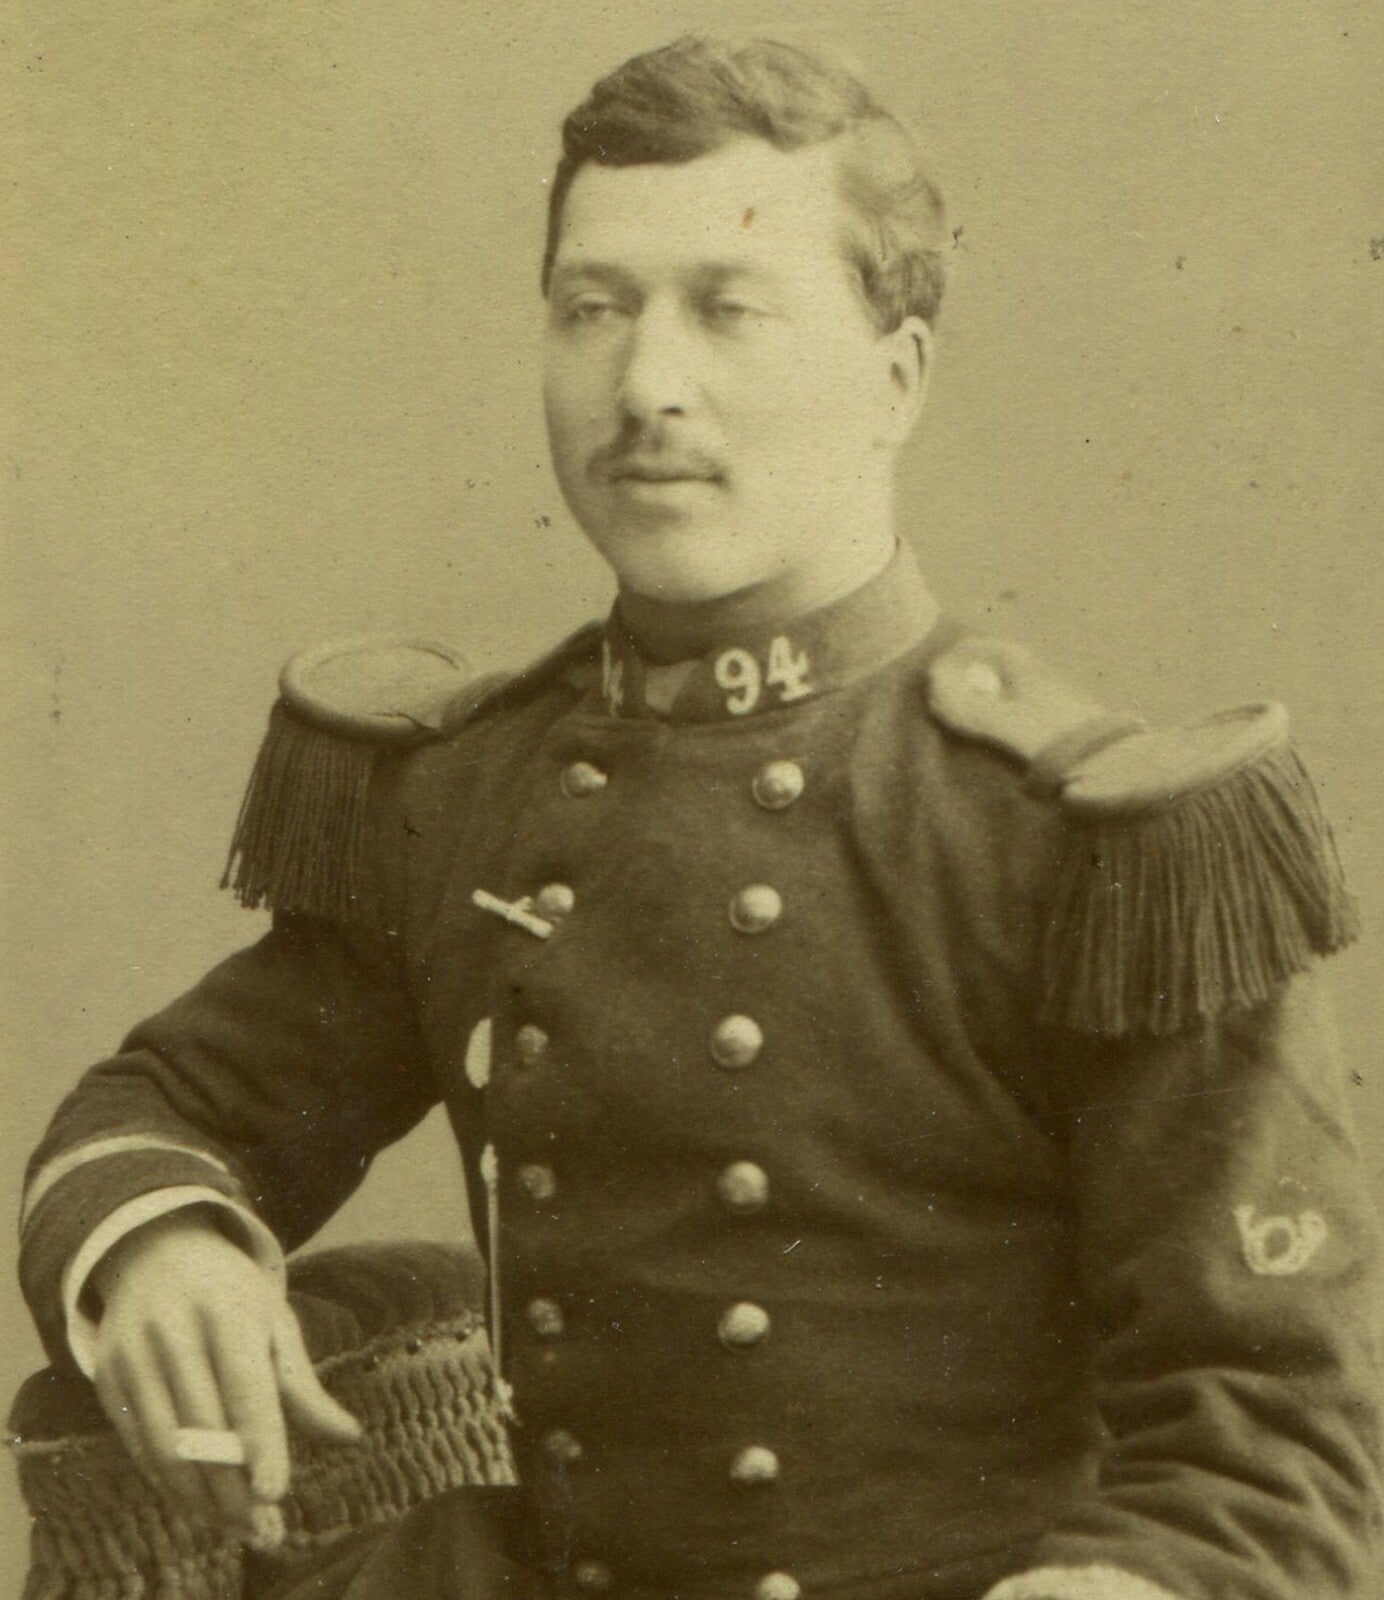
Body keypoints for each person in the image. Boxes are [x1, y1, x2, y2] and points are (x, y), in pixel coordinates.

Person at [17, 33, 1382, 1600]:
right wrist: (168, 1245)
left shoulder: (1094, 842)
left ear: (898, 378)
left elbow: (1270, 1447)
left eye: (731, 311)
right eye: (595, 309)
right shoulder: (470, 796)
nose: (649, 386)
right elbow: (168, 1106)